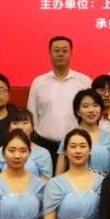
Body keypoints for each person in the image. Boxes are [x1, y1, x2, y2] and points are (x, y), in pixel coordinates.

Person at [28, 36, 92, 167]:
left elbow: (91, 114)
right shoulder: (38, 82)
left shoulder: (84, 81)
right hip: (44, 145)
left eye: (65, 50)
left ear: (71, 53)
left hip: (75, 145)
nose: (61, 54)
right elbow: (32, 114)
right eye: (56, 50)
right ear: (49, 53)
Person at [55, 89, 110, 176]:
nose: (91, 110)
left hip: (104, 183)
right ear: (78, 111)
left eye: (95, 105)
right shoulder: (69, 138)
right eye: (85, 106)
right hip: (74, 183)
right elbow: (59, 174)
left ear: (101, 109)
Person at [0, 109, 54, 180]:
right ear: (9, 128)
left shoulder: (43, 153)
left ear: (32, 127)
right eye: (15, 123)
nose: (20, 127)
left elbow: (46, 182)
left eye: (25, 123)